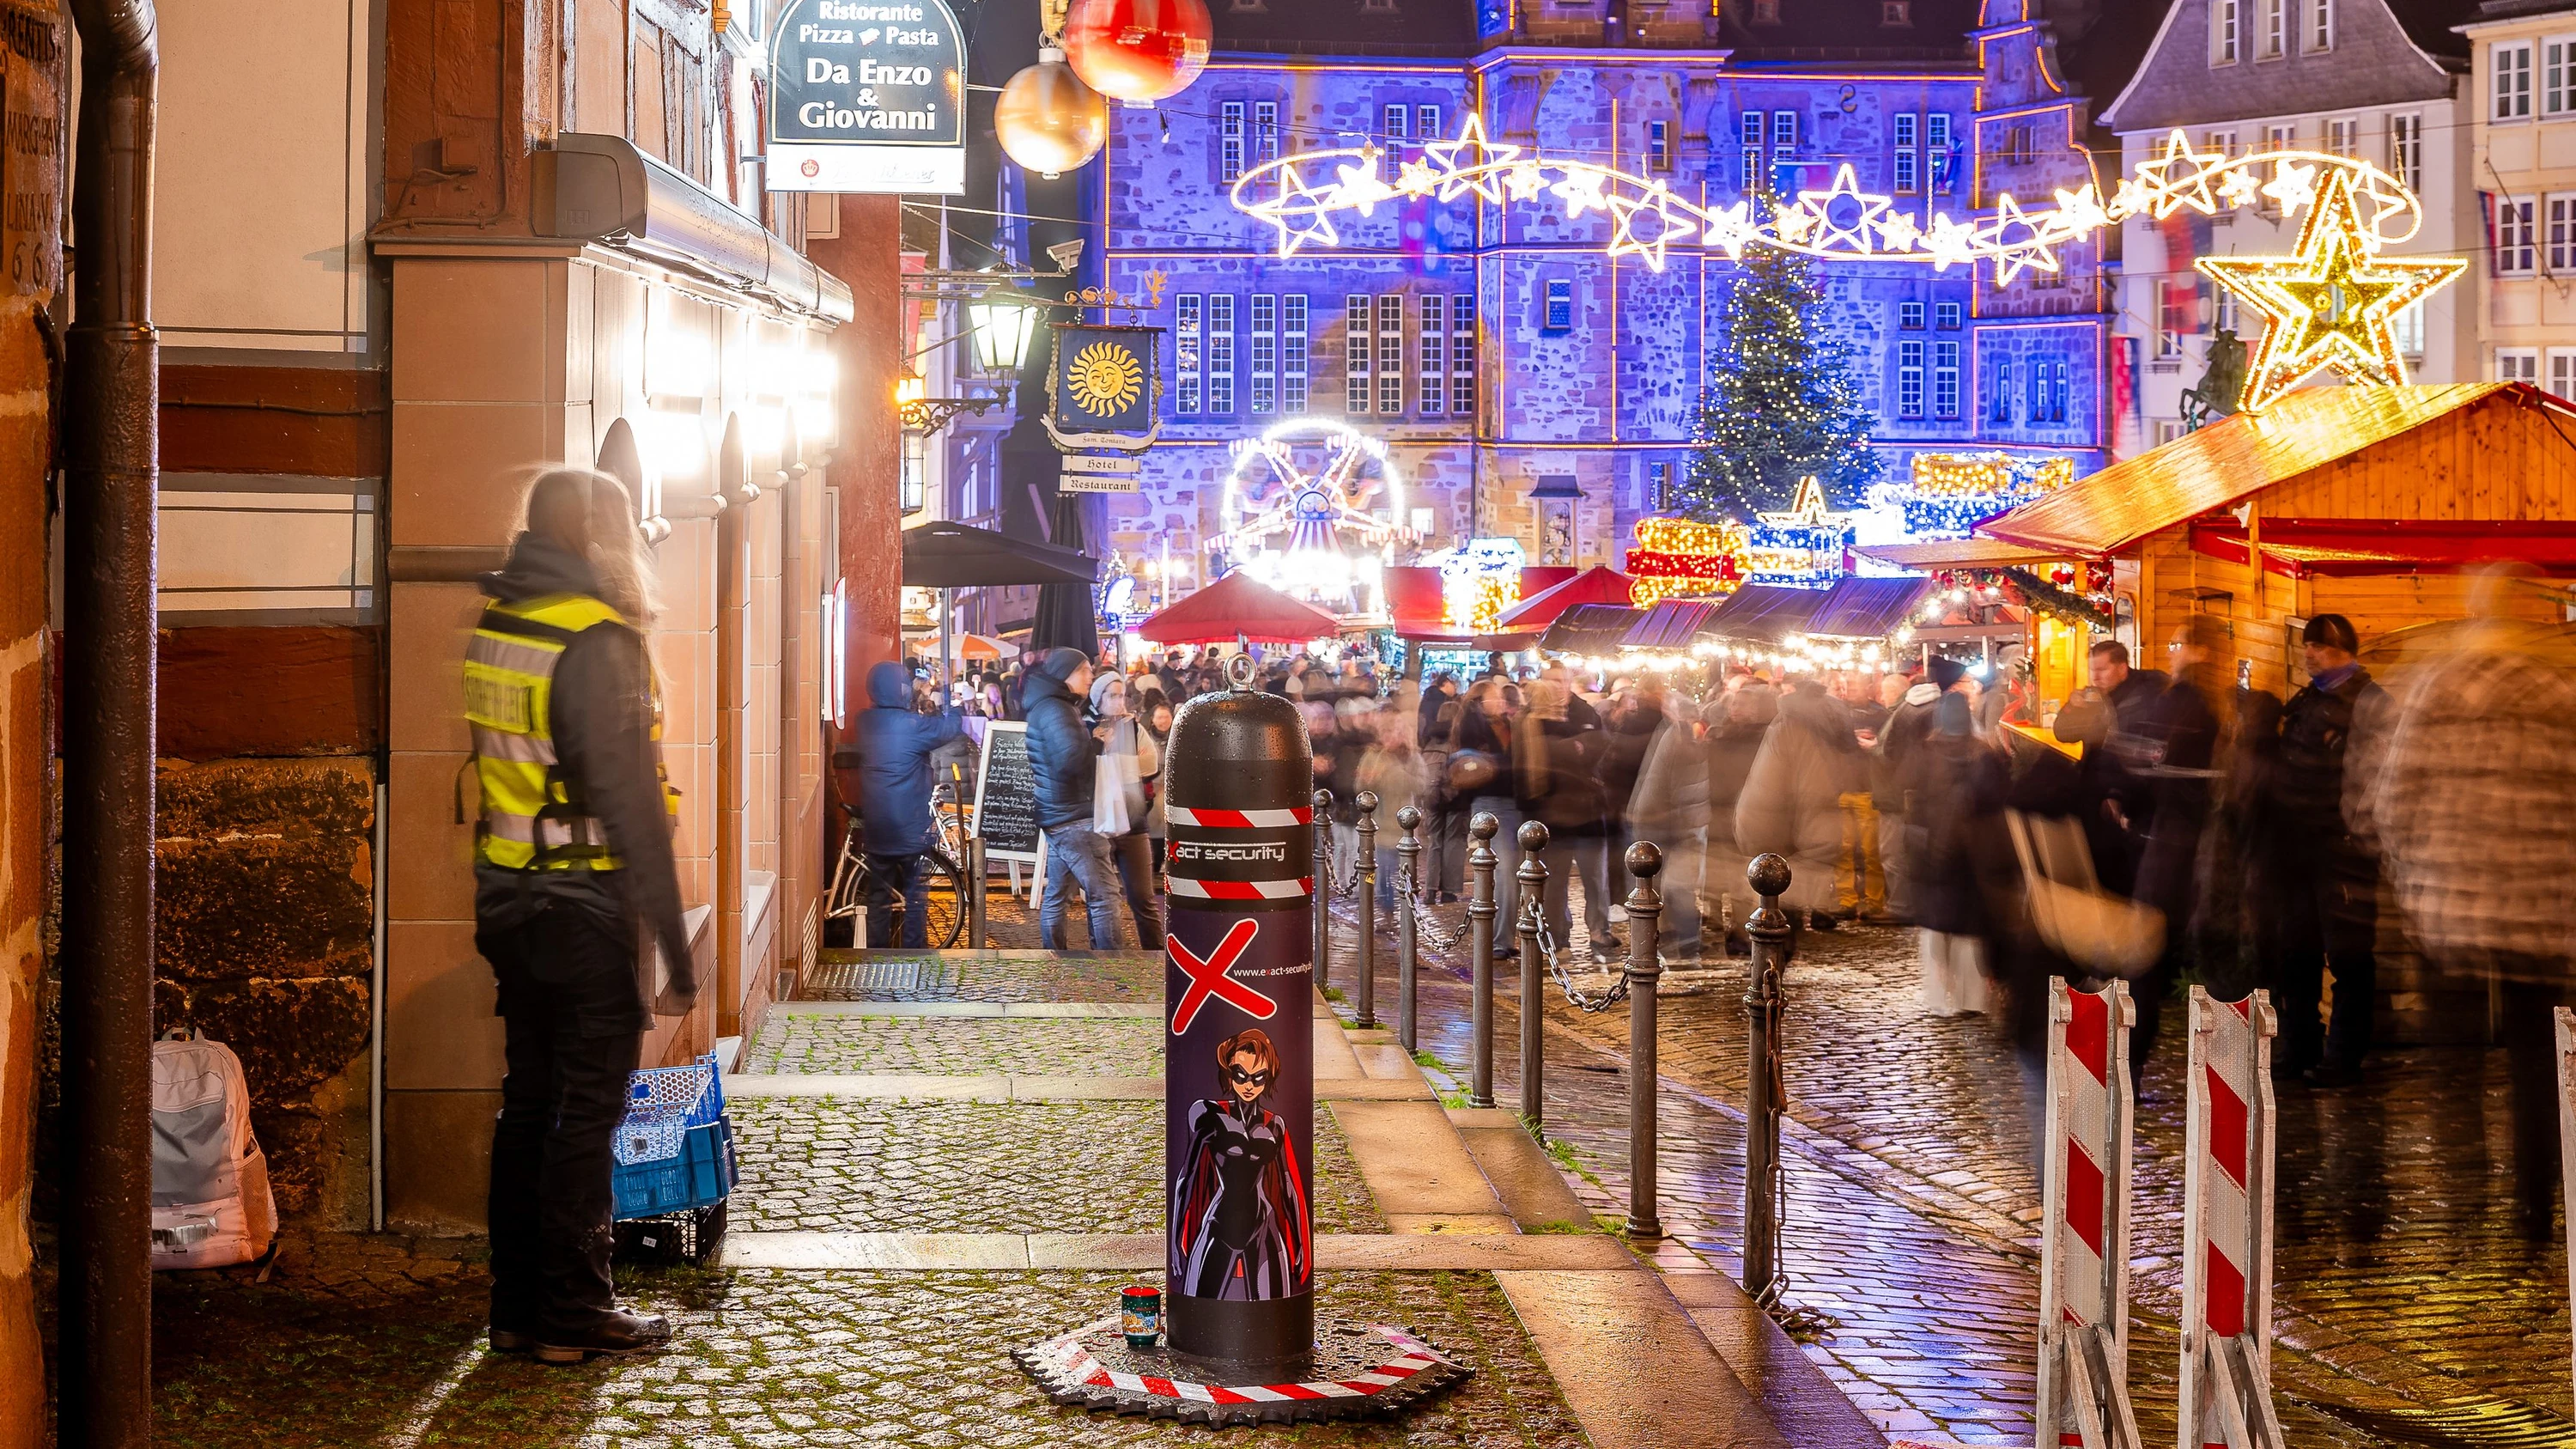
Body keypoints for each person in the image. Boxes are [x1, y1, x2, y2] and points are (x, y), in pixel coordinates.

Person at [466, 467, 692, 1364]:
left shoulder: (503, 622)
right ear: (604, 537)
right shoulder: (596, 640)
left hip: (510, 895)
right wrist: (676, 943)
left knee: (528, 1106)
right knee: (585, 1114)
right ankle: (573, 1309)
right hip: (583, 902)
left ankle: (517, 1306)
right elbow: (632, 806)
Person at [2357, 570, 2576, 1231]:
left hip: (2450, 908)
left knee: (2451, 1063)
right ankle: (2537, 1205)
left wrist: (2409, 869)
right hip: (2542, 917)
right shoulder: (2559, 692)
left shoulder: (2434, 686)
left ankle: (2465, 1199)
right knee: (2540, 1062)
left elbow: (2386, 797)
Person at [2258, 614, 2387, 1086]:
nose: (2308, 654)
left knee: (2350, 955)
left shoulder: (2369, 702)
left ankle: (2344, 1056)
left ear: (2341, 648)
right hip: (2298, 845)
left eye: (2317, 646)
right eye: (2307, 646)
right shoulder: (2312, 696)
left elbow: (2376, 777)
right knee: (2298, 952)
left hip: (2343, 849)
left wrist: (2355, 833)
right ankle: (2299, 1049)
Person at [2123, 615, 2229, 1075]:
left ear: (2201, 652)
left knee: (2148, 955)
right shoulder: (2205, 703)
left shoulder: (2191, 705)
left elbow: (2156, 760)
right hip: (2189, 838)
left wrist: (2134, 777)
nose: (2171, 652)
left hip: (2177, 839)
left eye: (2177, 644)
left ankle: (2130, 1066)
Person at [1170, 1028, 1311, 1300]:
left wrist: (1302, 1242)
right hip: (1219, 1222)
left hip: (1264, 1224)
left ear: (1268, 1079)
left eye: (1259, 1078)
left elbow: (1287, 1188)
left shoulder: (1274, 1125)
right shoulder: (1206, 1114)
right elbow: (1186, 1178)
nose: (1249, 1085)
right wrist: (1175, 1241)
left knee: (1274, 1311)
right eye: (1240, 1075)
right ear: (1229, 1073)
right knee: (1200, 1306)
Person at [845, 660, 966, 947]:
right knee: (914, 894)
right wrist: (954, 701)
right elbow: (949, 728)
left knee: (878, 896)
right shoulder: (912, 726)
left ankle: (877, 953)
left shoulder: (866, 722)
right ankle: (914, 952)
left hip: (877, 824)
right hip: (909, 825)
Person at [1736, 676, 1860, 935]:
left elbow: (1768, 785)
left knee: (1777, 903)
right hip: (1816, 822)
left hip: (1777, 828)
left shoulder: (1789, 725)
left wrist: (1750, 830)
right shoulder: (1833, 722)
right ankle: (1811, 917)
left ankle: (1774, 953)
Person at [1023, 647, 1124, 950]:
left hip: (1057, 814)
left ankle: (1054, 958)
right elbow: (1069, 762)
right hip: (1074, 817)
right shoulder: (1057, 709)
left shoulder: (1048, 706)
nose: (1090, 675)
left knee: (1057, 892)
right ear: (1066, 674)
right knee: (1105, 894)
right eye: (1084, 670)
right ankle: (1116, 970)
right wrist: (1095, 744)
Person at [1517, 679, 1616, 961]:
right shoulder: (1536, 731)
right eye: (1556, 687)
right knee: (1564, 883)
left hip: (1571, 819)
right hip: (1563, 819)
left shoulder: (1582, 718)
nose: (1562, 692)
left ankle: (1569, 938)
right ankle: (1567, 937)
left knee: (1581, 881)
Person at [1091, 673, 1166, 949]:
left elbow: (1151, 764)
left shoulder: (1133, 727)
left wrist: (1111, 762)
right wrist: (1121, 763)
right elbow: (1088, 767)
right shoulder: (1088, 727)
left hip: (1134, 821)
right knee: (1101, 900)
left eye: (1121, 695)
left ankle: (1157, 959)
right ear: (1098, 698)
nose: (1118, 701)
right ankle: (1101, 958)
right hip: (1100, 821)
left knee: (1143, 898)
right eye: (1112, 695)